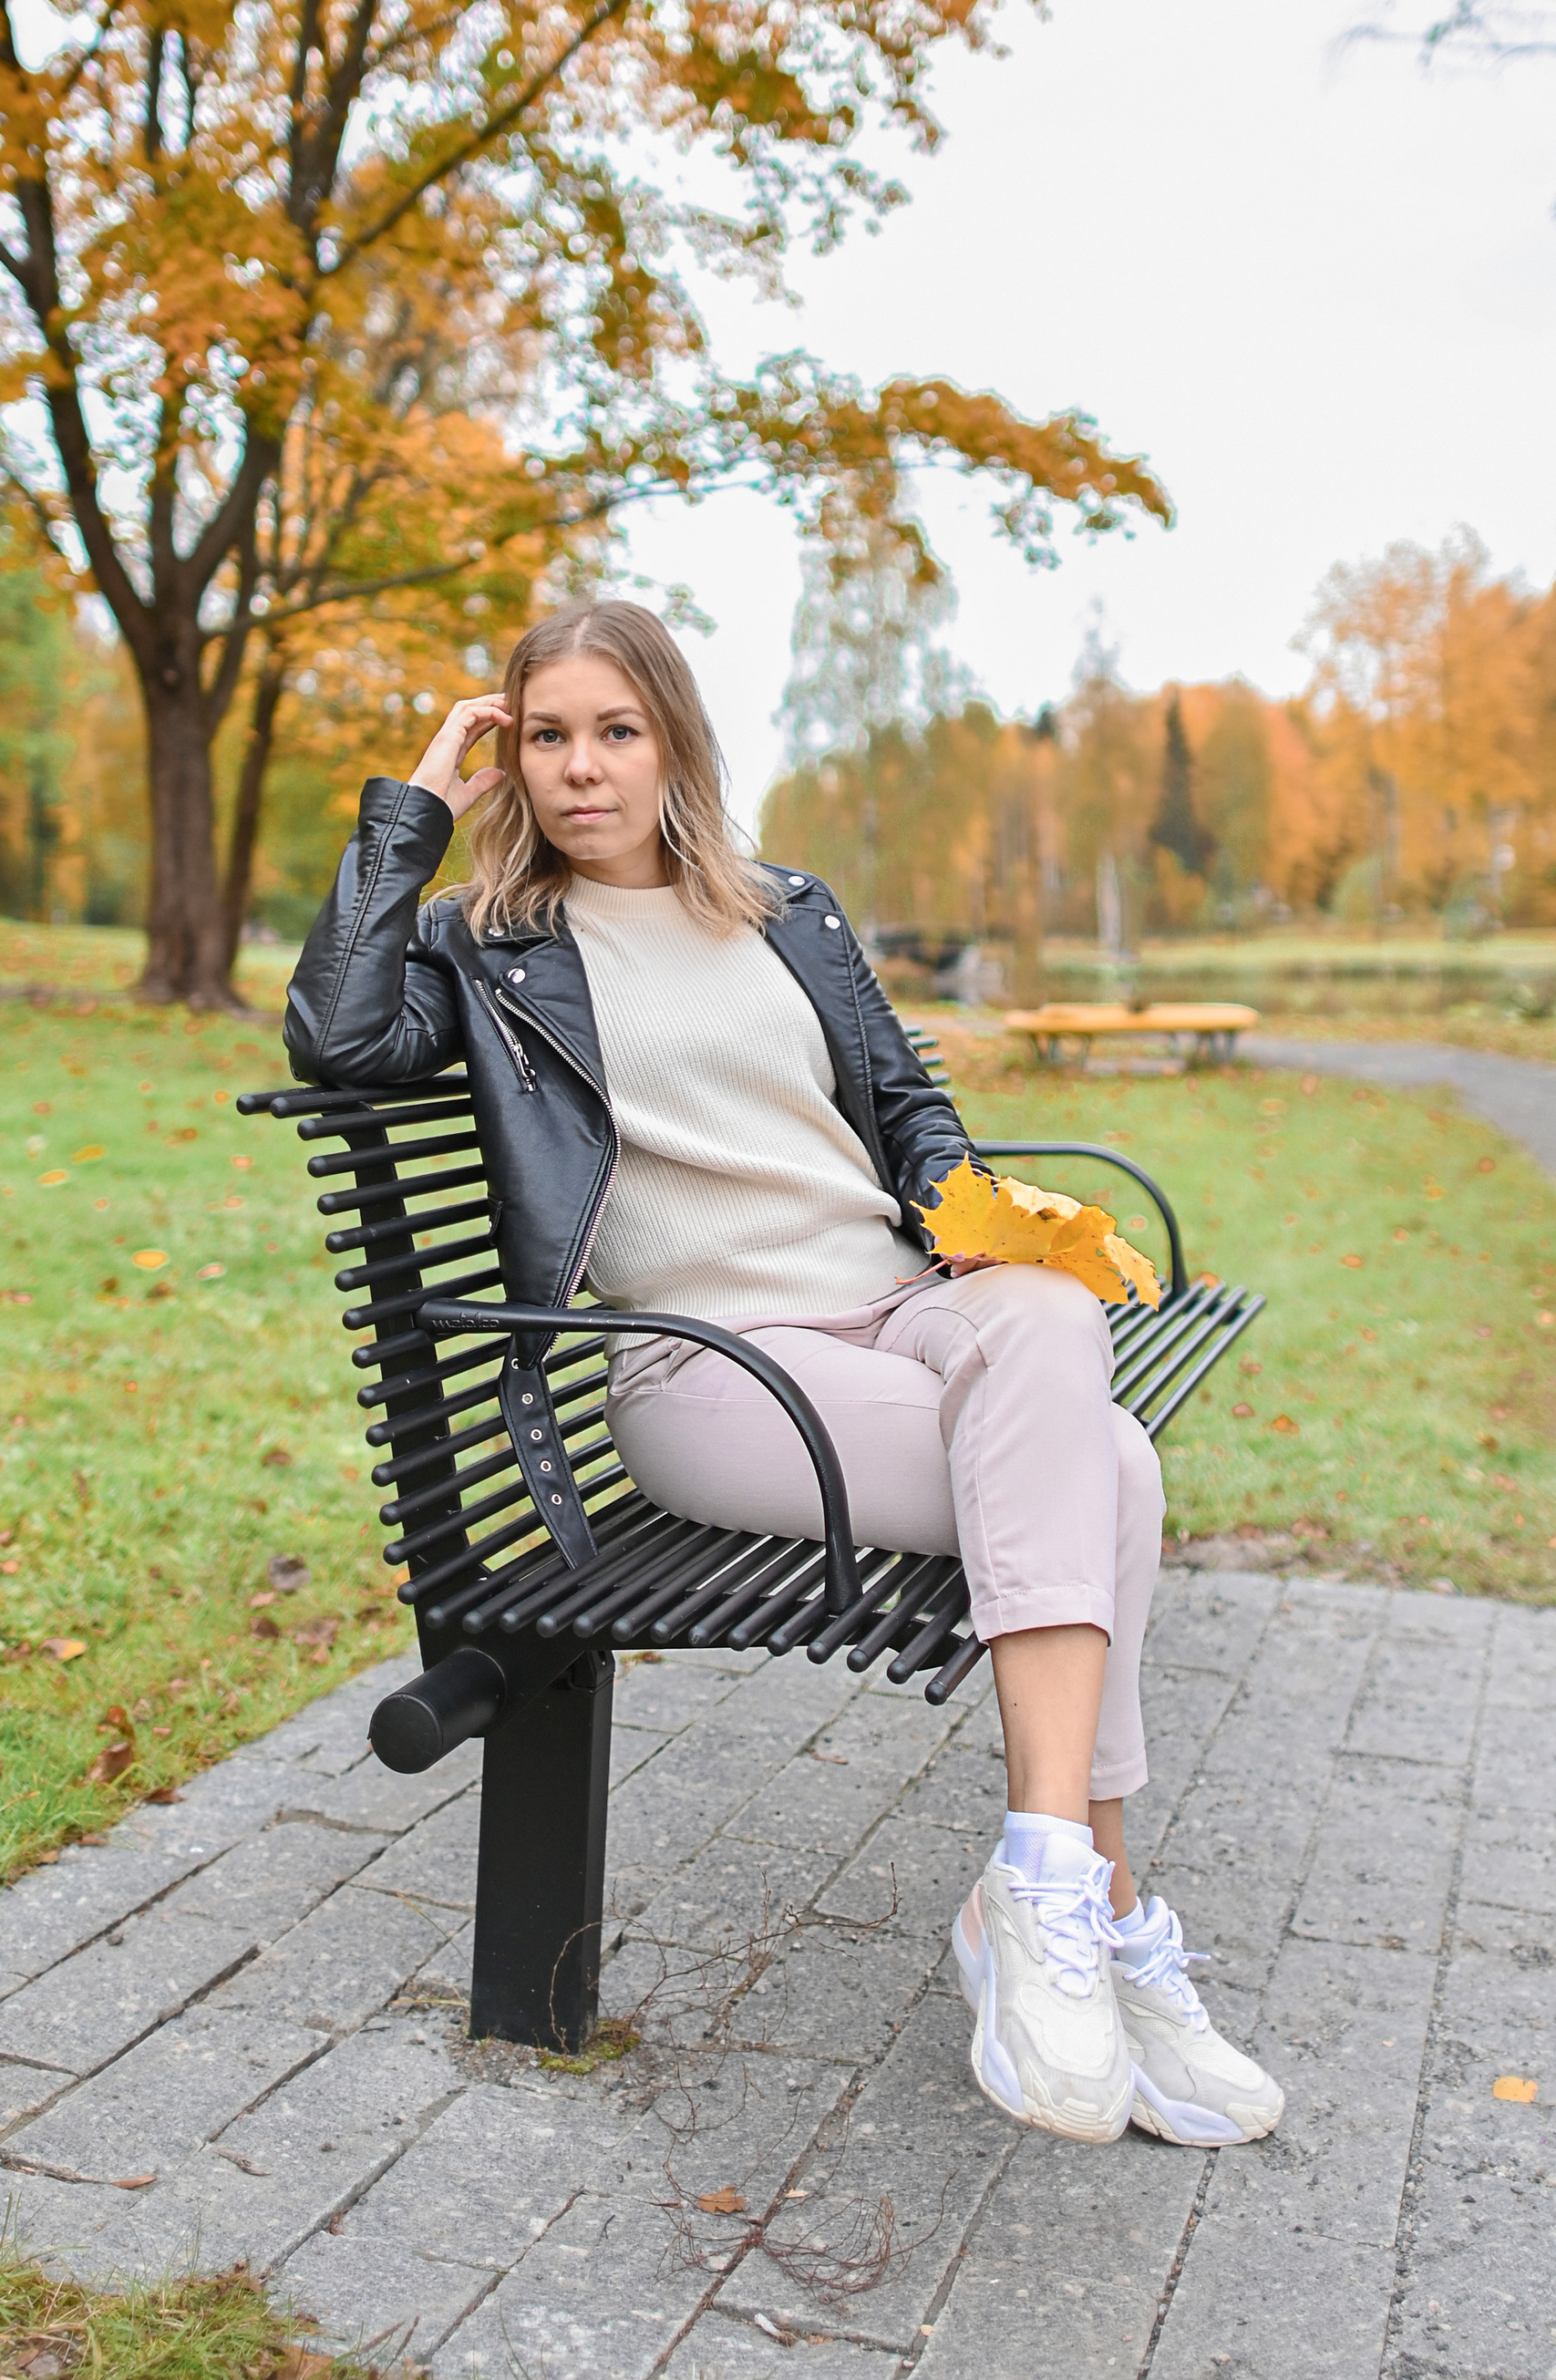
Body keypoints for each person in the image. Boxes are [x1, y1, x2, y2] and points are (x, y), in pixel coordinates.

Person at [285, 601, 1282, 2151]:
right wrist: (412, 811)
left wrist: (988, 1230)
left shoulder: (785, 910)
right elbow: (340, 1044)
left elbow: (909, 1110)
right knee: (1118, 1473)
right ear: (515, 760)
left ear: (675, 739)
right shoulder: (486, 949)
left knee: (1045, 1319)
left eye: (616, 731)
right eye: (546, 737)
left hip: (890, 1316)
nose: (581, 769)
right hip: (706, 1371)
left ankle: (1043, 1898)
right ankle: (1099, 1919)